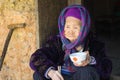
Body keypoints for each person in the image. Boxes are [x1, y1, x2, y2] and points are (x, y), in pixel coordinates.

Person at [30, 5, 112, 80]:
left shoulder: (94, 44)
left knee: (86, 71)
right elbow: (36, 57)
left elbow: (107, 67)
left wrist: (91, 60)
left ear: (84, 29)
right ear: (63, 26)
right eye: (67, 26)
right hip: (61, 77)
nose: (70, 31)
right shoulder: (57, 42)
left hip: (80, 77)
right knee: (38, 74)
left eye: (75, 28)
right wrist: (50, 72)